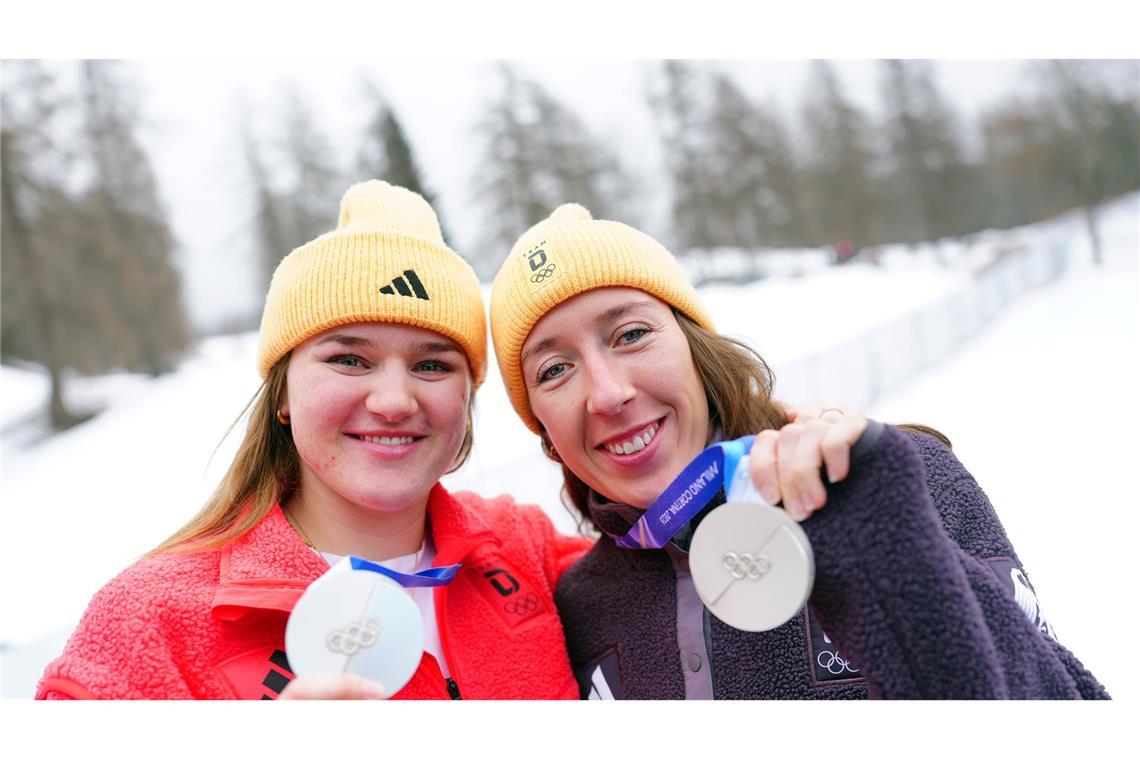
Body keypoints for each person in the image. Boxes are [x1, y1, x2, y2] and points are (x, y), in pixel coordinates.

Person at [488, 202, 1109, 699]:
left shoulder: (893, 484)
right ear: (541, 425)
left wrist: (884, 545)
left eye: (631, 333)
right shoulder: (582, 607)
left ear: (695, 347)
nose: (608, 392)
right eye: (554, 370)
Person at [36, 181, 590, 700]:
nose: (394, 400)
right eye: (349, 359)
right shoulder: (153, 620)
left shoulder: (521, 548)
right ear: (283, 393)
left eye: (432, 364)